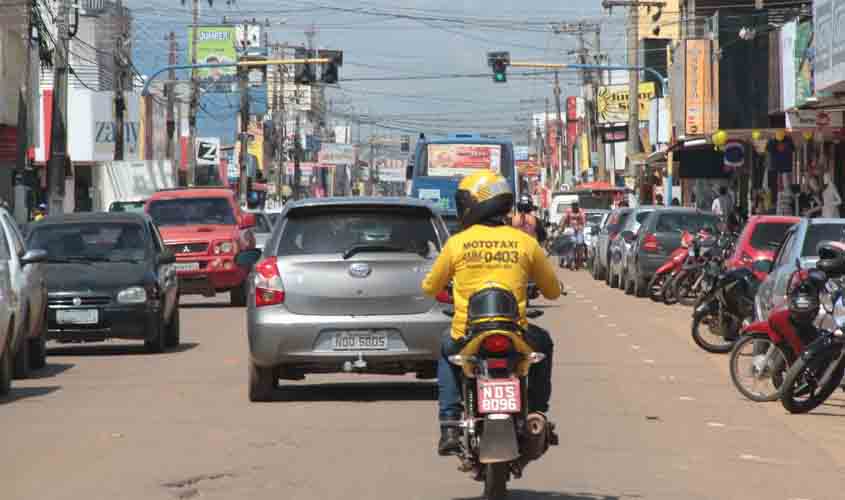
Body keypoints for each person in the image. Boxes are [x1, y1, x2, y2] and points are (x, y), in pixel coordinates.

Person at [421, 170, 561, 456]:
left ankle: (449, 425)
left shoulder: (457, 243)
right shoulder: (525, 242)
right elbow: (553, 291)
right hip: (516, 333)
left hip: (467, 333)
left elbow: (429, 287)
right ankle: (536, 412)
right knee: (543, 343)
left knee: (448, 353)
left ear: (475, 203)